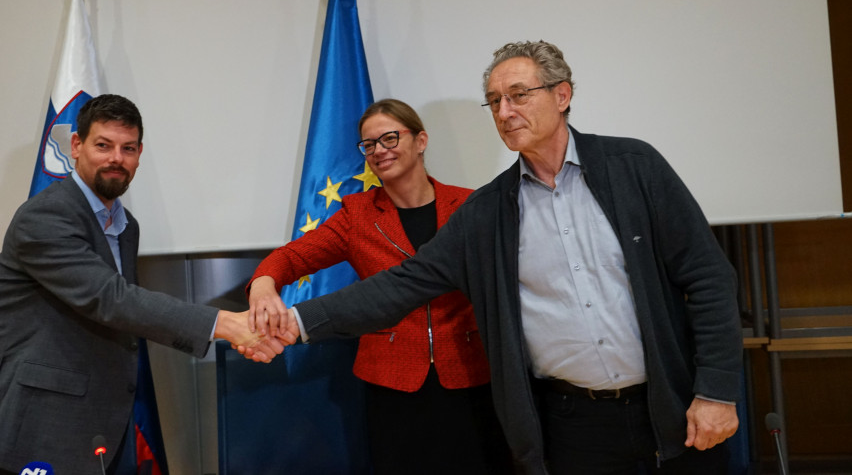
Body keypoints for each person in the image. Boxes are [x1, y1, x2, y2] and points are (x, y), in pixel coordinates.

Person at [263, 42, 742, 474]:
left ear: (562, 95)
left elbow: (708, 278)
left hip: (675, 407)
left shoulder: (634, 167)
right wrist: (295, 322)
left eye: (518, 94)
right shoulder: (487, 211)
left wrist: (716, 390)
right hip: (572, 427)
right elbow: (402, 284)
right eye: (495, 101)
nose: (505, 111)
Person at [0, 95, 289, 475]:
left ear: (140, 154)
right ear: (76, 146)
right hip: (28, 419)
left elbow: (120, 316)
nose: (117, 158)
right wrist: (228, 325)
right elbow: (110, 299)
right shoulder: (45, 215)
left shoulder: (126, 225)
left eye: (128, 148)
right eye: (103, 145)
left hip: (93, 419)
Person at [247, 98, 512, 474]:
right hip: (392, 383)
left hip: (468, 374)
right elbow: (290, 258)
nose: (378, 151)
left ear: (421, 141)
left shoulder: (468, 205)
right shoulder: (357, 215)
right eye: (369, 145)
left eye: (389, 138)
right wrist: (262, 285)